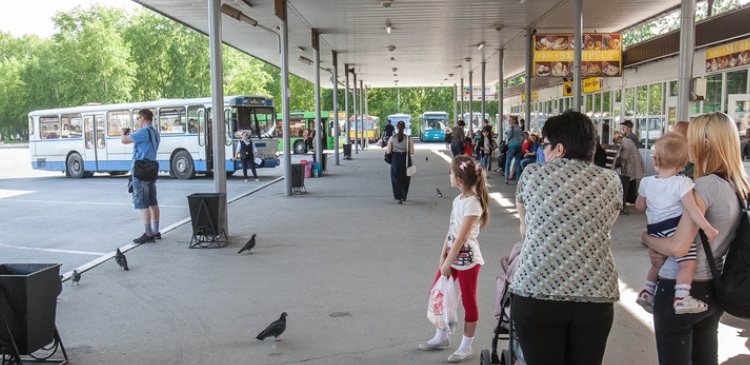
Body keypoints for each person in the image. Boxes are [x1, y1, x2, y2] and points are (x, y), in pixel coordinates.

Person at [511, 111, 622, 365]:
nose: (543, 150)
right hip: (596, 293)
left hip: (538, 289)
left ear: (559, 148)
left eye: (545, 145)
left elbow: (526, 229)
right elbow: (605, 226)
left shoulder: (532, 175)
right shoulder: (610, 180)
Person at [642, 112, 750, 364]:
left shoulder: (703, 187)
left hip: (681, 291)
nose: (685, 145)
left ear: (706, 144)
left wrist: (647, 238)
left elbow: (679, 247)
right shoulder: (737, 185)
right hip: (713, 288)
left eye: (690, 138)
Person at [634, 133, 718, 316]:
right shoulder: (683, 182)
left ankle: (647, 292)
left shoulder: (647, 182)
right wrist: (707, 228)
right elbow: (693, 210)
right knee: (687, 264)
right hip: (674, 228)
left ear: (655, 160)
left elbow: (640, 206)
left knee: (657, 263)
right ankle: (682, 297)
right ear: (683, 164)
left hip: (655, 229)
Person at [418, 155, 489, 363]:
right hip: (451, 256)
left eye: (451, 173)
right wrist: (443, 256)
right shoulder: (458, 200)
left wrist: (448, 262)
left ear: (458, 179)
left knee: (468, 300)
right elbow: (451, 231)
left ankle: (466, 346)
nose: (449, 176)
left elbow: (462, 236)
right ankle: (441, 336)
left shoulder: (474, 204)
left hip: (468, 261)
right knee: (437, 293)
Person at [121, 109, 162, 244]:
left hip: (140, 170)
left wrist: (123, 133)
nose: (138, 121)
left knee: (143, 204)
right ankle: (156, 231)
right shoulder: (155, 133)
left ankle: (148, 233)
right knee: (153, 202)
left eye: (138, 118)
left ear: (143, 118)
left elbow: (125, 140)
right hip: (151, 169)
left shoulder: (143, 132)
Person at [613, 130, 645, 207]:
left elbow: (624, 157)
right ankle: (631, 198)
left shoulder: (626, 143)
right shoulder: (625, 141)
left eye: (616, 141)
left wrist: (615, 162)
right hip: (630, 164)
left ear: (619, 138)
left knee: (629, 180)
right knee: (631, 179)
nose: (616, 142)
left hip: (632, 164)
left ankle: (630, 199)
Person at [385, 121, 414, 204]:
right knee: (406, 178)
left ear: (397, 128)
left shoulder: (392, 138)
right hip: (406, 159)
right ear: (404, 128)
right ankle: (404, 195)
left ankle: (399, 196)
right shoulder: (409, 139)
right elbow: (411, 152)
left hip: (396, 160)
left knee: (396, 178)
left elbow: (388, 152)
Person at [504, 116, 524, 184]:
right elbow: (525, 136)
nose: (509, 121)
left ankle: (506, 178)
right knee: (517, 163)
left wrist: (506, 136)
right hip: (519, 146)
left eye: (510, 120)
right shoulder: (519, 128)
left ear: (514, 120)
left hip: (512, 146)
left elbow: (509, 137)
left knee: (508, 162)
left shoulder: (511, 127)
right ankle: (517, 179)